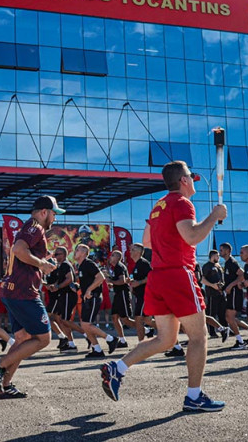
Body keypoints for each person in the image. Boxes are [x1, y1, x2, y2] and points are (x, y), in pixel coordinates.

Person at [100, 160, 227, 411]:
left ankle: (118, 368)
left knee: (166, 339)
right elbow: (192, 236)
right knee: (199, 337)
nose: (193, 181)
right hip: (178, 274)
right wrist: (214, 215)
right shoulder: (181, 203)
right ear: (183, 180)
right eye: (191, 177)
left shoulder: (158, 206)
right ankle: (194, 396)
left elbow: (146, 240)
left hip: (158, 276)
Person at [0, 195, 63, 399]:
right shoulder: (35, 226)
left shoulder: (32, 228)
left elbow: (22, 253)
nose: (55, 218)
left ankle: (5, 384)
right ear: (44, 212)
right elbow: (19, 250)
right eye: (54, 213)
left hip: (13, 290)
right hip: (23, 292)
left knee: (22, 338)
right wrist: (42, 265)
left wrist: (40, 266)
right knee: (44, 338)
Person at [75, 244, 118, 358]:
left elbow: (101, 277)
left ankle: (111, 339)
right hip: (87, 297)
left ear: (84, 252)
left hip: (93, 297)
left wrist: (89, 290)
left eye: (78, 250)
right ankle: (97, 349)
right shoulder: (81, 266)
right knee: (85, 325)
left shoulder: (89, 263)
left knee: (86, 324)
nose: (75, 251)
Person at [47, 247, 80, 352]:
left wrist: (57, 287)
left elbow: (69, 278)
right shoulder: (60, 266)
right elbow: (58, 280)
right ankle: (69, 342)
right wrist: (54, 286)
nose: (55, 256)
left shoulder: (65, 265)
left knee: (64, 320)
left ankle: (87, 334)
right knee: (61, 320)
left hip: (67, 295)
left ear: (64, 255)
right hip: (62, 295)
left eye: (58, 254)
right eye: (55, 254)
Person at [107, 251, 134, 350]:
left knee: (125, 319)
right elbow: (117, 281)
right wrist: (113, 283)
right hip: (117, 294)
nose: (111, 257)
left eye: (113, 255)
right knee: (114, 317)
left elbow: (122, 281)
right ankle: (122, 340)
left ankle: (146, 330)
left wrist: (111, 281)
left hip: (123, 294)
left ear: (118, 257)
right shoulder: (115, 268)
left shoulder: (119, 267)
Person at [128, 244, 153, 343]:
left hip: (145, 295)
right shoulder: (137, 264)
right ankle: (169, 330)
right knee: (147, 320)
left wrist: (139, 282)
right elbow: (138, 279)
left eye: (133, 249)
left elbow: (151, 277)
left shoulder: (143, 263)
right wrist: (130, 281)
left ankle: (141, 344)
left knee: (138, 319)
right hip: (139, 295)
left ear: (138, 252)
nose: (130, 251)